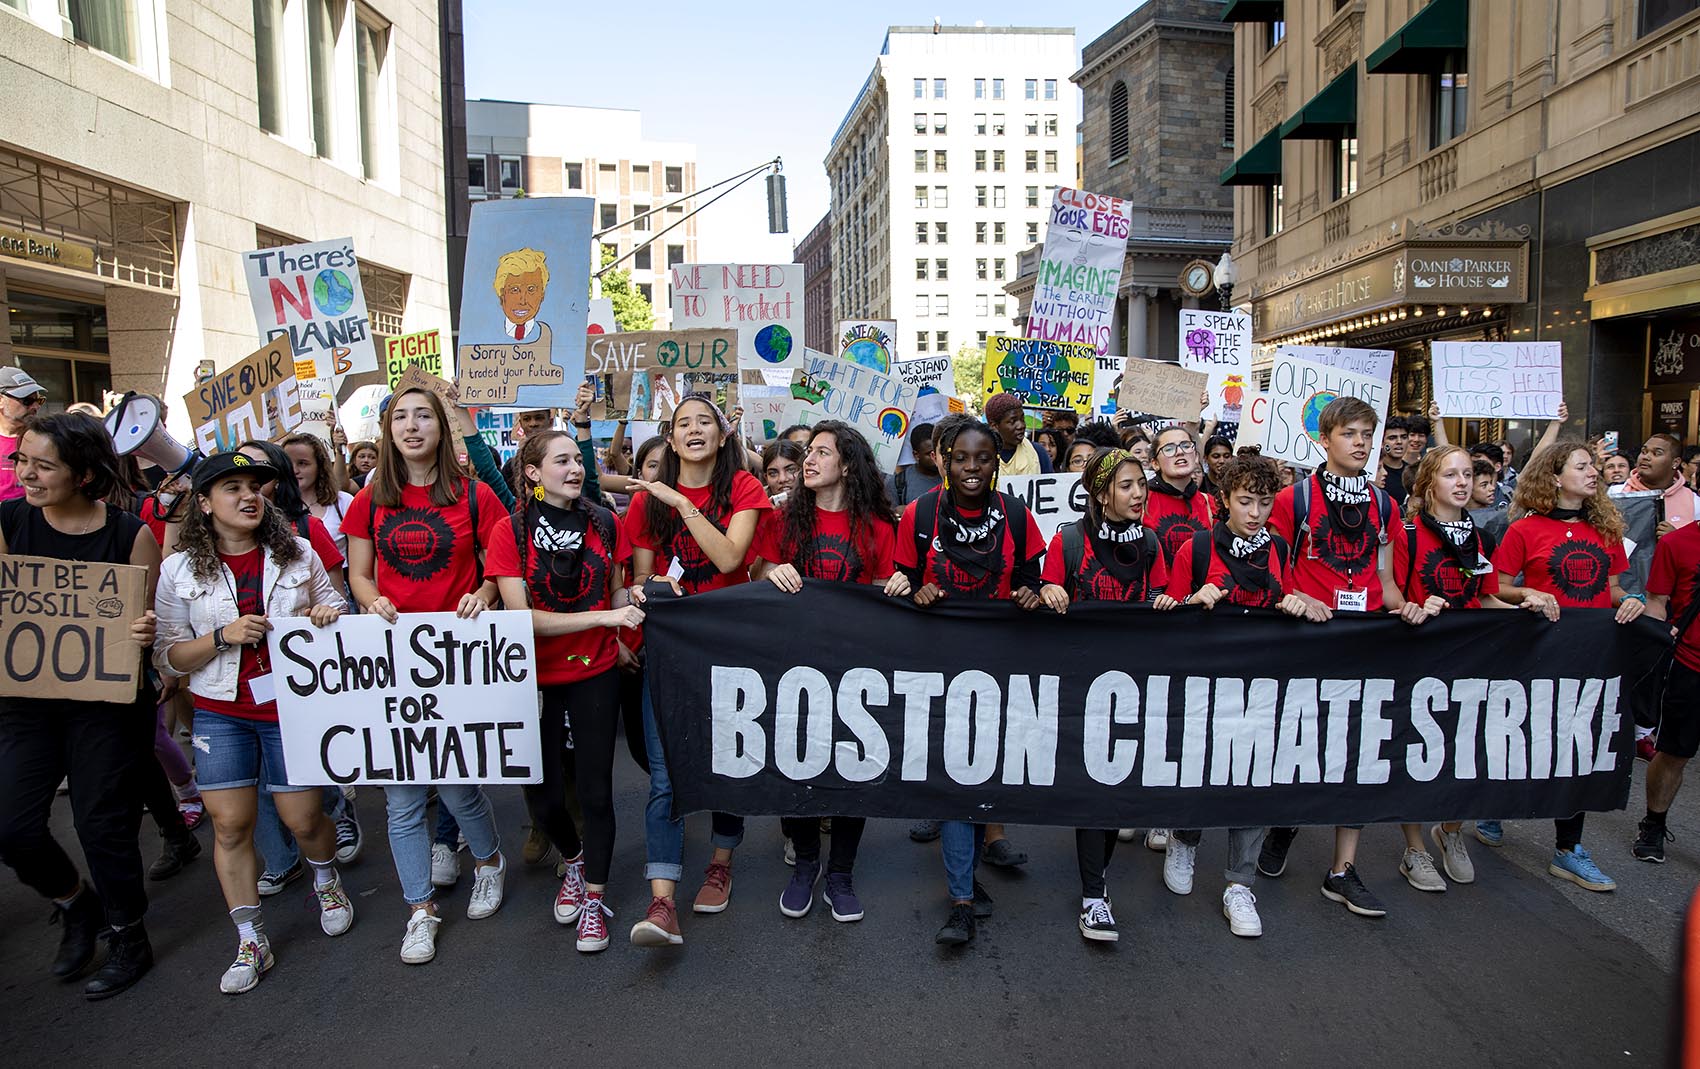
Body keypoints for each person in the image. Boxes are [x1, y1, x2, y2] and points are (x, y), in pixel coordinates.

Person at [153, 452, 353, 993]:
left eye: (255, 487)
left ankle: (326, 878)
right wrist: (223, 636)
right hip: (221, 712)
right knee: (229, 825)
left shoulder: (299, 554)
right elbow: (168, 657)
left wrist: (325, 617)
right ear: (203, 503)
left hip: (290, 708)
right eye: (232, 488)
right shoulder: (178, 569)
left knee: (304, 819)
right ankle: (250, 938)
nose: (248, 497)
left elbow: (338, 613)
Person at [343, 385, 510, 964]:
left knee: (461, 787)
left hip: (457, 658)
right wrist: (369, 601)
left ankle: (489, 862)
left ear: (442, 427)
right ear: (388, 432)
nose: (411, 427)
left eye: (423, 417)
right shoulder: (370, 499)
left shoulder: (476, 496)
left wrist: (483, 594)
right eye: (399, 419)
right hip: (393, 660)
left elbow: (499, 570)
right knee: (402, 799)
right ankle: (419, 909)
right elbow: (358, 574)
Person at [0, 411, 161, 999]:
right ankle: (75, 903)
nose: (27, 474)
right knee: (12, 827)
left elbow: (152, 619)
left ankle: (127, 933)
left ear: (84, 474)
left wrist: (145, 632)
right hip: (27, 703)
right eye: (22, 461)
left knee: (102, 823)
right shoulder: (9, 522)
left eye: (43, 465)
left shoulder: (128, 534)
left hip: (106, 705)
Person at [486, 428, 643, 952]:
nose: (576, 468)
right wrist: (607, 616)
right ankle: (573, 861)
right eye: (562, 461)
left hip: (594, 671)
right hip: (530, 679)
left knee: (597, 792)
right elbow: (520, 618)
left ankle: (594, 898)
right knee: (545, 800)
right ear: (532, 474)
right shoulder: (511, 531)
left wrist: (623, 619)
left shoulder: (604, 520)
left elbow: (617, 588)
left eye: (579, 459)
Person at [625, 394, 771, 946]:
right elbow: (641, 575)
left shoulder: (743, 490)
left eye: (704, 422)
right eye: (682, 423)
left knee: (728, 763)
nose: (693, 430)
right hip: (669, 650)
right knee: (666, 776)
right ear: (669, 435)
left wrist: (684, 504)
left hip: (730, 649)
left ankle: (720, 861)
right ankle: (662, 903)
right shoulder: (646, 503)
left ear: (722, 434)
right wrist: (645, 588)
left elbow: (733, 558)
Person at [893, 417, 1045, 946]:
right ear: (944, 461)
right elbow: (903, 584)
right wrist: (915, 592)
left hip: (1004, 671)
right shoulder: (919, 514)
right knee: (961, 779)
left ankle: (971, 874)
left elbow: (1033, 580)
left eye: (983, 458)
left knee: (986, 781)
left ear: (996, 463)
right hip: (942, 672)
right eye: (962, 458)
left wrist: (1033, 593)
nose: (973, 468)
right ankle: (960, 899)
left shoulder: (1017, 516)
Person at [753, 421, 902, 923]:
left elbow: (884, 595)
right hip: (791, 668)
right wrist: (768, 571)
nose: (808, 461)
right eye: (808, 453)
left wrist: (896, 585)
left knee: (852, 771)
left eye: (821, 453)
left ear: (848, 464)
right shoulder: (782, 520)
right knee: (794, 767)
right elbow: (755, 568)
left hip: (855, 672)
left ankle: (841, 873)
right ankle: (806, 866)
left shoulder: (880, 529)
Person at [1258, 397, 1401, 919]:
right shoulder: (1294, 500)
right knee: (1298, 744)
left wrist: (1410, 610)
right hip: (1305, 642)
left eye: (1368, 433)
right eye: (1350, 433)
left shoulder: (1384, 505)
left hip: (1362, 643)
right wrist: (1295, 598)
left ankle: (1342, 870)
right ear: (1325, 438)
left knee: (1359, 752)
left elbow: (1385, 580)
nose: (1361, 442)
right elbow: (1272, 567)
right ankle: (1285, 821)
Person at [1036, 447, 1177, 941]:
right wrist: (1051, 592)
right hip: (1082, 689)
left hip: (1133, 689)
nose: (1138, 493)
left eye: (1141, 483)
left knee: (1116, 790)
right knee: (1095, 791)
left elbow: (1163, 598)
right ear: (1101, 493)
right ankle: (1094, 895)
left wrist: (1166, 602)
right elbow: (1047, 589)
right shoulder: (1069, 541)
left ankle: (1096, 887)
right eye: (1126, 485)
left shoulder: (1154, 544)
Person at [1494, 439, 1645, 891]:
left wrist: (1632, 601)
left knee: (1579, 746)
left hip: (1593, 654)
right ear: (1555, 477)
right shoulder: (1524, 530)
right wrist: (1529, 595)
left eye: (1594, 466)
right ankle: (1493, 807)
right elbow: (1499, 587)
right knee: (1529, 737)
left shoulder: (1607, 529)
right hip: (1543, 650)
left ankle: (1568, 849)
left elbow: (1613, 588)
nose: (1593, 472)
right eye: (1583, 466)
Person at [1387, 446, 1512, 890]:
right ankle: (1415, 848)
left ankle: (1451, 831)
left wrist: (1527, 600)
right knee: (1420, 754)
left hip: (1470, 660)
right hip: (1420, 660)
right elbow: (1392, 598)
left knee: (1470, 752)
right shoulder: (1408, 534)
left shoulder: (1477, 538)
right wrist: (1416, 606)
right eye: (1450, 475)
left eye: (1467, 474)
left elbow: (1487, 596)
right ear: (1429, 484)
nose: (1461, 483)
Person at [1638, 506, 1700, 863]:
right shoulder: (1676, 544)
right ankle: (1654, 822)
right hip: (1690, 667)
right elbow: (1657, 603)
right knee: (1675, 751)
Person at [1143, 424, 1215, 567]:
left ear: (1196, 457)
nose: (1180, 452)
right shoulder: (1141, 501)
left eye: (1186, 446)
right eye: (1169, 449)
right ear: (1155, 463)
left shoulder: (1209, 503)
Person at [283, 432, 356, 558]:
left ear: (320, 466)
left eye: (302, 463)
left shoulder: (343, 502)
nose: (294, 470)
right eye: (288, 464)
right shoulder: (275, 505)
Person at [1611, 433, 1700, 535]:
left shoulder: (1693, 501)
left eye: (1657, 453)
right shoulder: (1616, 493)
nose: (1646, 457)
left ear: (1675, 462)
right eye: (1644, 452)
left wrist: (1676, 539)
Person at [0, 365, 48, 501]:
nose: (36, 407)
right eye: (27, 400)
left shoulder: (46, 438)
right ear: (0, 401)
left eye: (39, 400)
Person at [985, 391, 1052, 475]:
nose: (1021, 426)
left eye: (1022, 419)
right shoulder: (981, 455)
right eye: (1013, 421)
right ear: (994, 425)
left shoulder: (1038, 452)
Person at [885, 422, 942, 512]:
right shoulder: (898, 483)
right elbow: (889, 518)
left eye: (938, 451)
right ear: (916, 455)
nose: (935, 457)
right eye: (929, 454)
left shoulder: (953, 477)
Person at [1379, 416, 1411, 508]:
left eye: (1404, 437)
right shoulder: (1375, 474)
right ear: (1382, 442)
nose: (1399, 442)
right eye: (1392, 438)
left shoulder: (1413, 472)